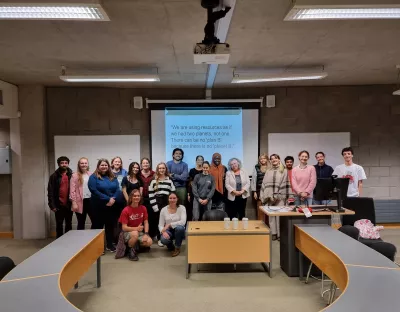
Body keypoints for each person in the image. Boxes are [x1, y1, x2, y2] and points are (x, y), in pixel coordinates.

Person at [89, 159, 120, 253]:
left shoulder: (112, 176)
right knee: (97, 226)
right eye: (102, 165)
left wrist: (113, 198)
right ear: (98, 166)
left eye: (106, 165)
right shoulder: (93, 177)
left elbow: (117, 189)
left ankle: (109, 245)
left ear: (108, 166)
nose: (104, 167)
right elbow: (94, 190)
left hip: (111, 206)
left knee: (110, 226)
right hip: (98, 206)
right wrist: (108, 199)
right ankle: (98, 247)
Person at [260, 154, 291, 240]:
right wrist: (265, 195)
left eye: (275, 158)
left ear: (279, 159)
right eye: (272, 159)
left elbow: (285, 184)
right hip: (269, 197)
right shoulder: (268, 171)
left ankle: (280, 234)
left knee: (279, 216)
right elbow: (264, 184)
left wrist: (277, 196)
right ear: (270, 161)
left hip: (280, 197)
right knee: (271, 216)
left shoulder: (284, 171)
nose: (273, 160)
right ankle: (273, 233)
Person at [119, 189, 152, 261]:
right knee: (135, 234)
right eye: (134, 196)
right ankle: (130, 249)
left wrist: (146, 234)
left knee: (149, 242)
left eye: (138, 196)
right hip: (127, 232)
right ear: (131, 197)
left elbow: (146, 222)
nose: (136, 197)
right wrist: (136, 228)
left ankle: (136, 245)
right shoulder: (126, 210)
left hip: (139, 231)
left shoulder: (143, 208)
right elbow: (124, 228)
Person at [148, 162, 176, 247]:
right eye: (160, 168)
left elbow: (173, 193)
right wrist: (155, 206)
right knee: (158, 221)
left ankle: (166, 237)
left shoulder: (169, 180)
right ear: (157, 170)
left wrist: (171, 205)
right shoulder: (153, 181)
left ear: (166, 169)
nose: (161, 170)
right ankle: (160, 238)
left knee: (166, 221)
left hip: (166, 202)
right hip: (157, 202)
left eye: (163, 168)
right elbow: (151, 194)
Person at [47, 156, 73, 238]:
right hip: (58, 204)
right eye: (62, 163)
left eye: (66, 163)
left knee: (69, 223)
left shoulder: (72, 175)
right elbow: (50, 191)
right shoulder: (54, 176)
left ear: (68, 164)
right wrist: (52, 205)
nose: (64, 164)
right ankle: (59, 241)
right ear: (58, 164)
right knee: (59, 224)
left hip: (69, 204)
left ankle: (68, 240)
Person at [159, 192, 187, 257]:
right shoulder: (163, 210)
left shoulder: (182, 208)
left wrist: (169, 224)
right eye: (170, 198)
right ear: (168, 199)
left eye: (174, 198)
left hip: (179, 230)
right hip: (168, 230)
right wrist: (163, 232)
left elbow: (183, 222)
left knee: (179, 228)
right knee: (163, 240)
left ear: (177, 199)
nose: (172, 200)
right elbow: (160, 224)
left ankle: (177, 247)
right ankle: (171, 246)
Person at [69, 157, 92, 230]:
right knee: (81, 222)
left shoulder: (91, 174)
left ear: (88, 164)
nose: (84, 165)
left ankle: (92, 239)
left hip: (91, 201)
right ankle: (80, 240)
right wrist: (74, 202)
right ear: (79, 164)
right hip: (80, 202)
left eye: (85, 163)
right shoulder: (74, 175)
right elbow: (72, 191)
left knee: (95, 221)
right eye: (82, 163)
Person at [139, 158, 156, 239]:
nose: (145, 164)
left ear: (149, 164)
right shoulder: (138, 174)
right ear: (141, 164)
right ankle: (142, 234)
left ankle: (152, 234)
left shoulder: (154, 174)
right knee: (141, 216)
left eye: (147, 163)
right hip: (140, 199)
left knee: (151, 216)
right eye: (143, 163)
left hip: (151, 198)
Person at [251, 153, 270, 221]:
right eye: (261, 159)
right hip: (259, 191)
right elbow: (253, 180)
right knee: (260, 210)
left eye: (264, 158)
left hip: (269, 191)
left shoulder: (271, 168)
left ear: (267, 159)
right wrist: (254, 192)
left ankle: (269, 226)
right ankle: (261, 225)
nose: (262, 160)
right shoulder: (257, 167)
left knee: (269, 210)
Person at [187, 155, 204, 222]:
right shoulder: (192, 171)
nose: (200, 161)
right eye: (198, 160)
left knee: (202, 210)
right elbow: (189, 183)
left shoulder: (205, 170)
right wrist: (188, 193)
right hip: (193, 193)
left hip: (203, 193)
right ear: (196, 161)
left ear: (203, 161)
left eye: (201, 160)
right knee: (193, 210)